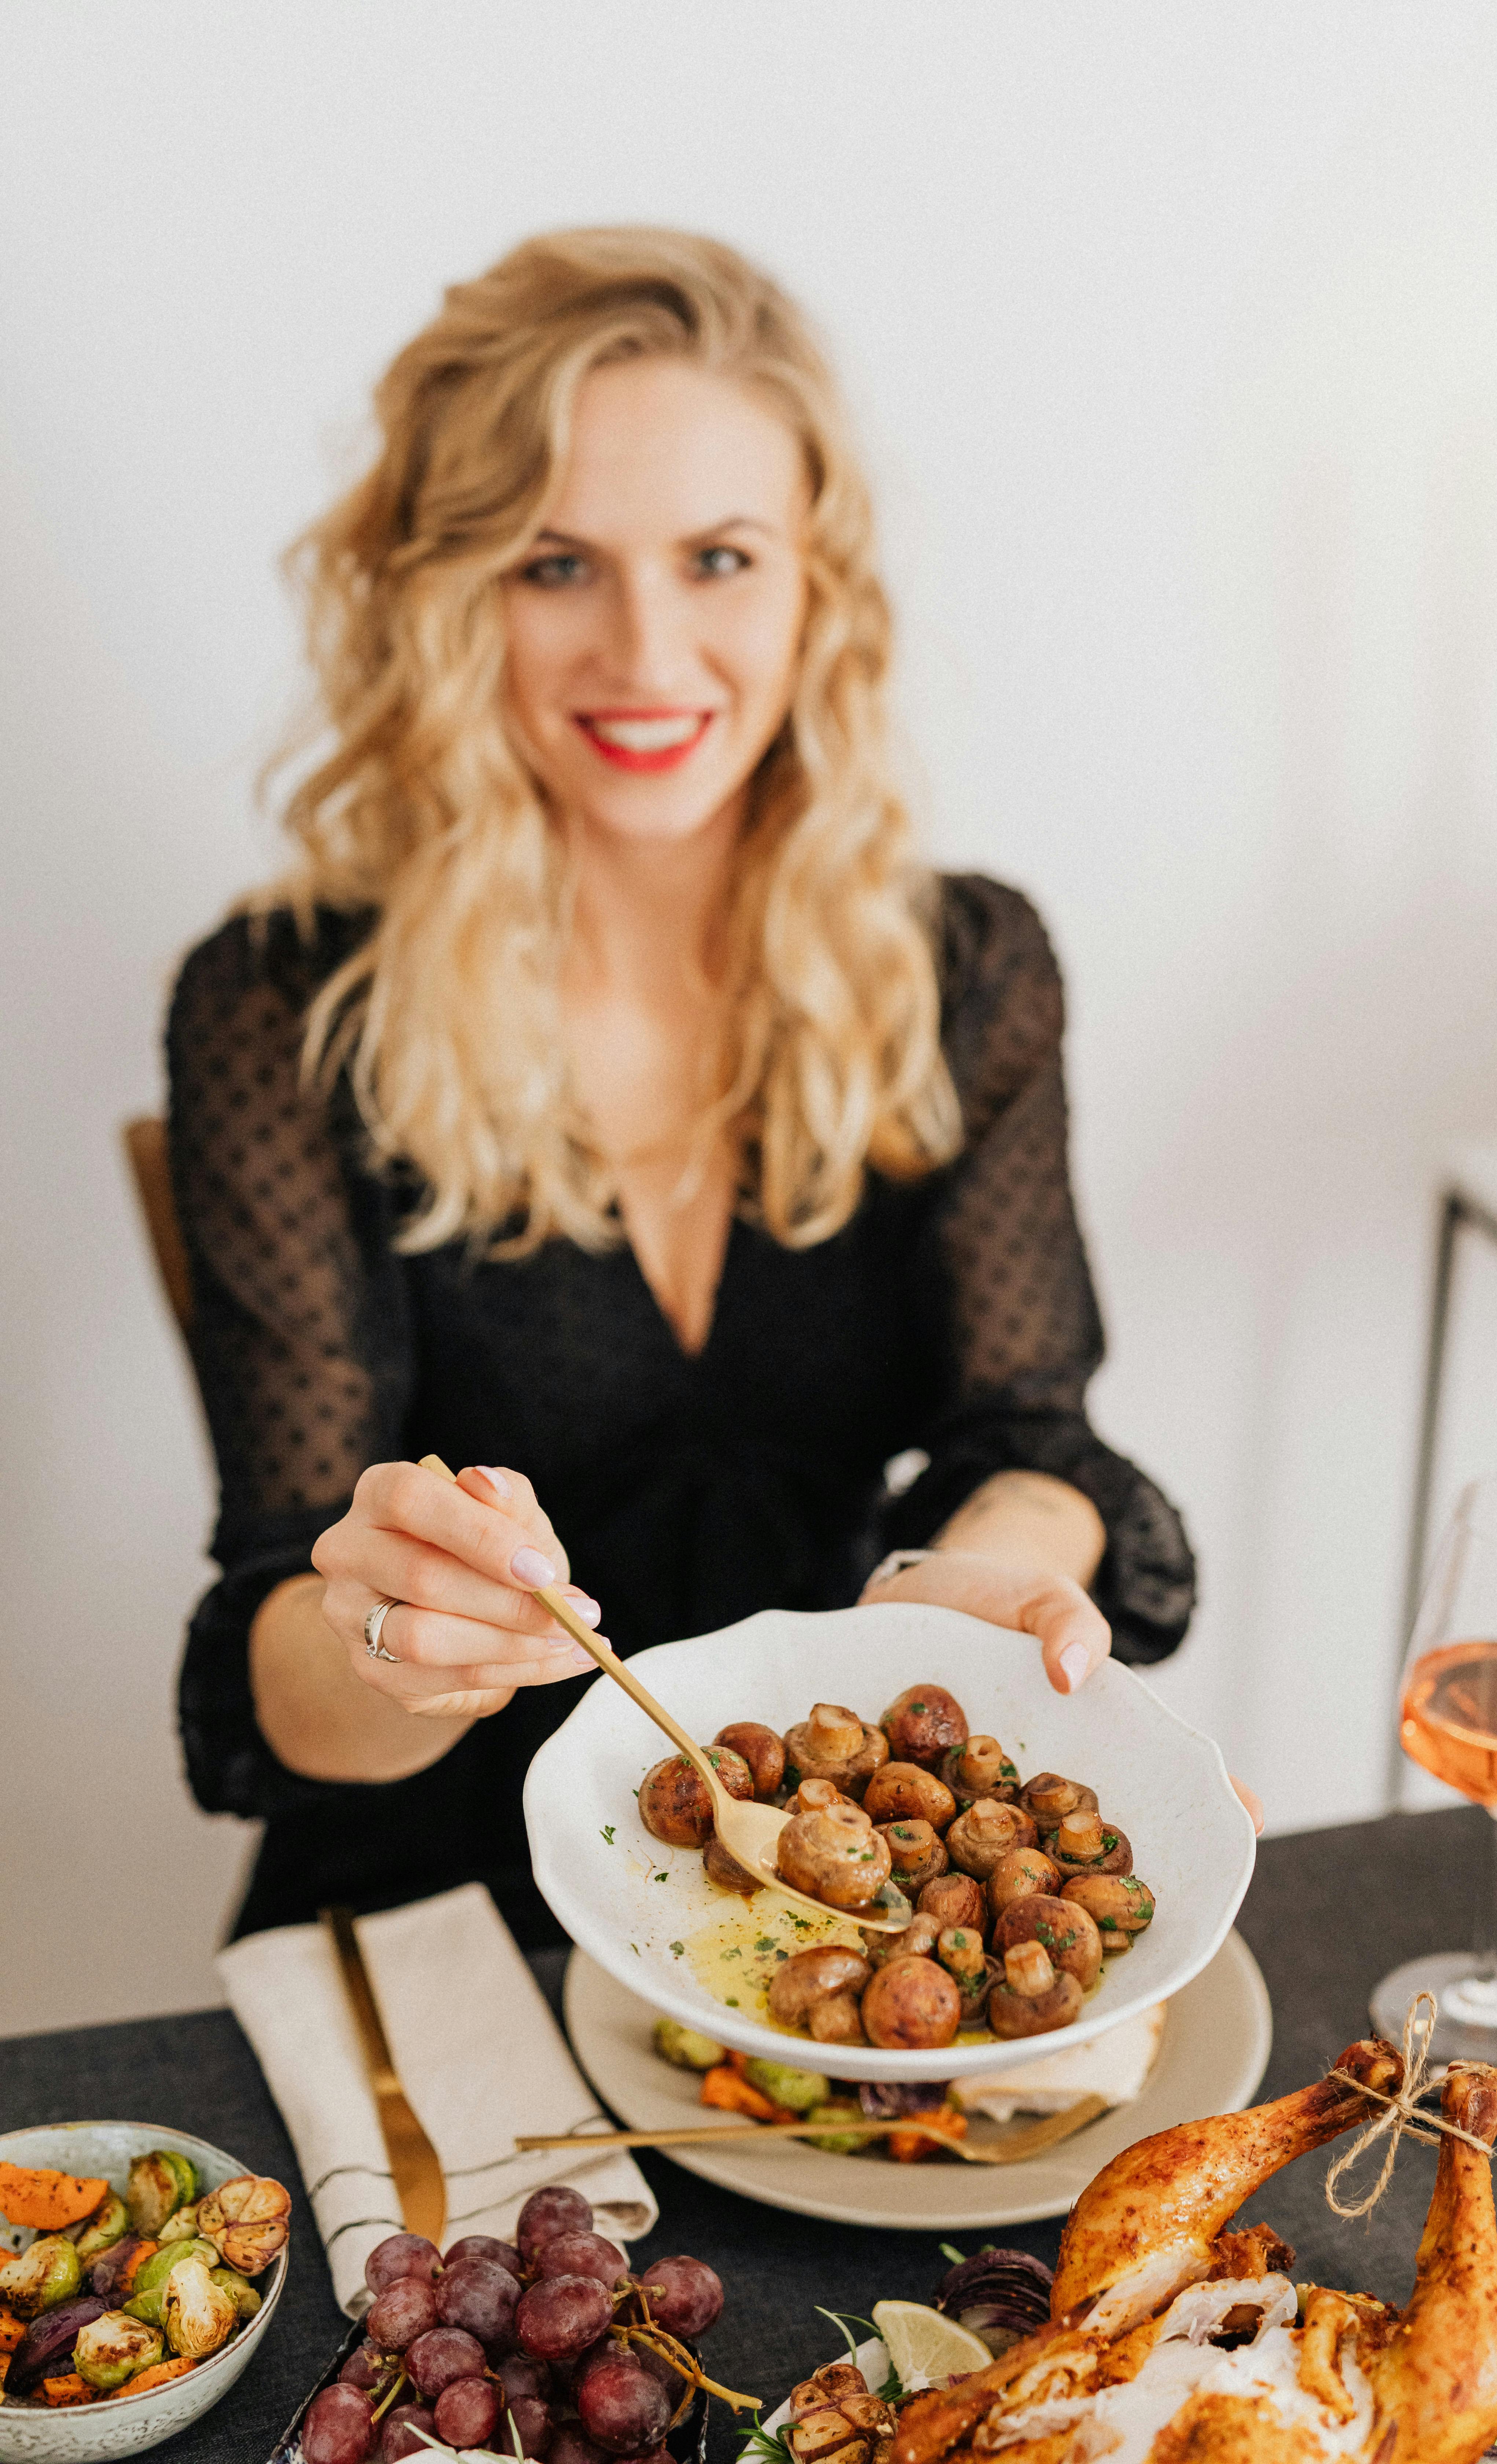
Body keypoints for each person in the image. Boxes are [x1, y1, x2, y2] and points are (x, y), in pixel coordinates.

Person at [167, 227, 1227, 1950]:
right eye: (554, 564)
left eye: (719, 557)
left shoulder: (967, 970)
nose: (648, 654)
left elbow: (1023, 1434)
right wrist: (395, 1643)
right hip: (441, 1920)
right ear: (447, 598)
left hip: (828, 1898)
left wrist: (972, 1582)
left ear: (818, 585)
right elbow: (281, 1645)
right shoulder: (280, 1008)